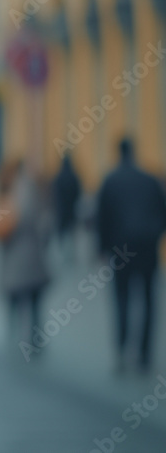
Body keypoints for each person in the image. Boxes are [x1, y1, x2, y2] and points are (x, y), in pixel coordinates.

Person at [95, 137, 166, 373]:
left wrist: (102, 249)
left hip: (121, 249)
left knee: (121, 300)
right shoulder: (149, 179)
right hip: (146, 247)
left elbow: (102, 218)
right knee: (148, 301)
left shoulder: (111, 180)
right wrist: (154, 235)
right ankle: (145, 354)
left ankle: (122, 351)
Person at [0, 158, 50, 358]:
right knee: (31, 301)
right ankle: (32, 341)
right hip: (28, 256)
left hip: (18, 257)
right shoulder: (27, 187)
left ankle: (17, 339)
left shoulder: (13, 188)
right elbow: (37, 219)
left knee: (18, 300)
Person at [52, 154, 81, 263]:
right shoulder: (74, 177)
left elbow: (54, 194)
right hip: (71, 210)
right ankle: (72, 255)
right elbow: (78, 193)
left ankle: (63, 255)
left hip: (61, 210)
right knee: (72, 233)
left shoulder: (58, 177)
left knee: (62, 234)